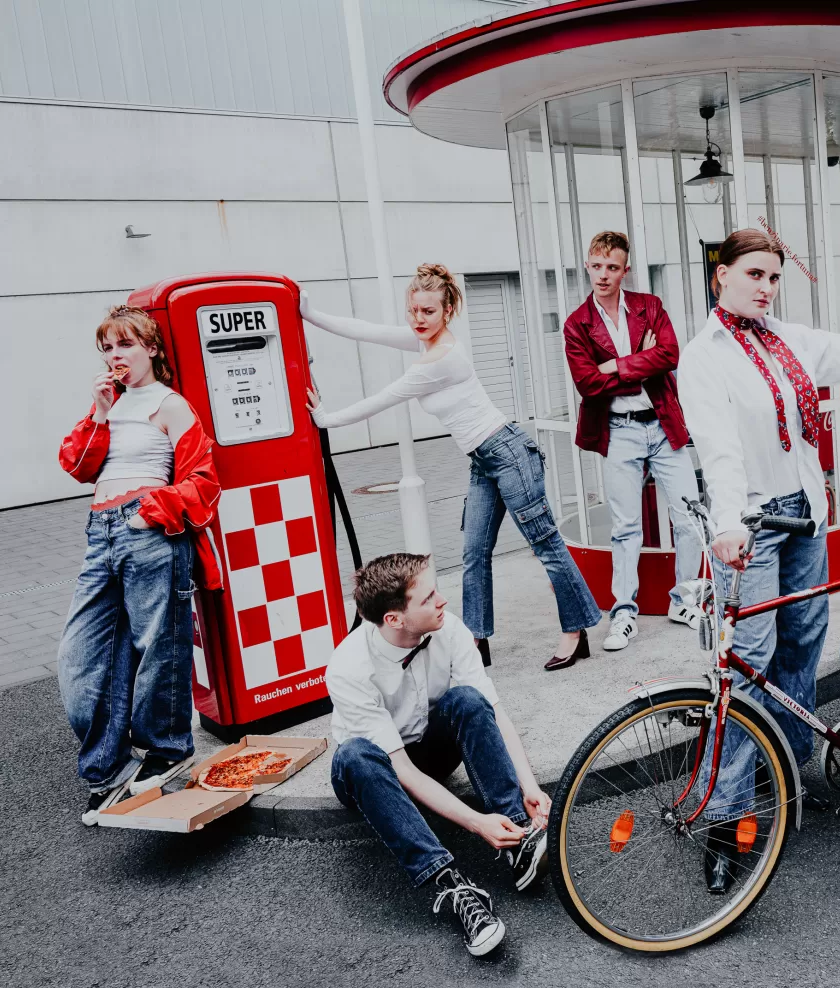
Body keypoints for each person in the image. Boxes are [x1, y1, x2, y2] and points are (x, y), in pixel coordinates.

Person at [678, 229, 840, 892]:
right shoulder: (703, 357)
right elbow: (718, 448)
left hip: (806, 514)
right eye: (754, 274)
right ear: (720, 277)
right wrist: (729, 522)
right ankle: (724, 815)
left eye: (774, 276)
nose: (765, 287)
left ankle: (786, 775)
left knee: (802, 646)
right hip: (751, 523)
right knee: (747, 665)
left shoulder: (791, 339)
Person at [301, 264, 601, 671]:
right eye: (414, 311)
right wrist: (310, 314)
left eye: (428, 312)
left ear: (447, 311)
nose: (418, 319)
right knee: (473, 551)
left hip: (508, 453)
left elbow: (386, 397)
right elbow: (366, 329)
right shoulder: (425, 343)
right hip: (483, 460)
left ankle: (575, 631)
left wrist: (327, 419)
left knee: (546, 546)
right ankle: (475, 643)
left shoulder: (440, 359)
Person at [326, 553, 550, 957]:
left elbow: (494, 712)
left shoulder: (449, 629)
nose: (442, 601)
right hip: (378, 774)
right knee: (356, 755)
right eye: (428, 598)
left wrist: (528, 785)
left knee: (469, 699)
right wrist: (476, 822)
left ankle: (517, 838)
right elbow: (403, 772)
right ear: (394, 619)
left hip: (431, 747)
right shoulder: (348, 667)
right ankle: (453, 886)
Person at [57, 304, 222, 825]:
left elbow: (204, 480)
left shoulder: (171, 404)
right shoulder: (107, 407)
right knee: (80, 655)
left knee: (159, 645)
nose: (115, 355)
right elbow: (78, 467)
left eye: (125, 344)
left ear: (151, 349)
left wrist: (151, 511)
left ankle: (166, 746)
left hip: (146, 527)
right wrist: (101, 412)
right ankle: (110, 764)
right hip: (99, 535)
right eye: (107, 347)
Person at [563, 231, 706, 652]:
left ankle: (684, 600)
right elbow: (588, 383)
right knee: (626, 528)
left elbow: (670, 354)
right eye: (596, 265)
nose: (603, 275)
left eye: (612, 267)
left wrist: (617, 365)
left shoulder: (649, 306)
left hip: (662, 424)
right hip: (620, 429)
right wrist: (640, 363)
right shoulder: (577, 324)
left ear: (625, 270)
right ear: (587, 265)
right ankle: (623, 614)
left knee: (689, 518)